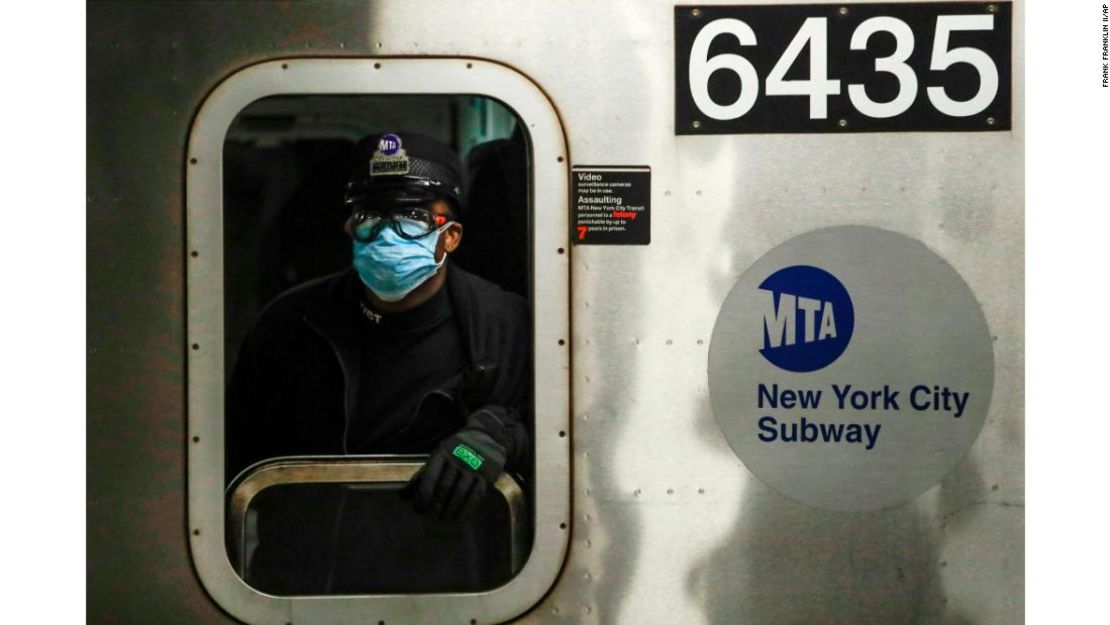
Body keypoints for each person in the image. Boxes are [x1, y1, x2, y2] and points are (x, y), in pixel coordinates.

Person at [226, 132, 532, 591]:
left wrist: (491, 438)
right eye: (371, 216)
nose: (387, 234)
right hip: (305, 588)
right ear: (350, 227)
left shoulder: (505, 326)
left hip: (452, 589)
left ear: (451, 235)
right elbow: (233, 456)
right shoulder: (290, 324)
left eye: (413, 217)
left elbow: (552, 438)